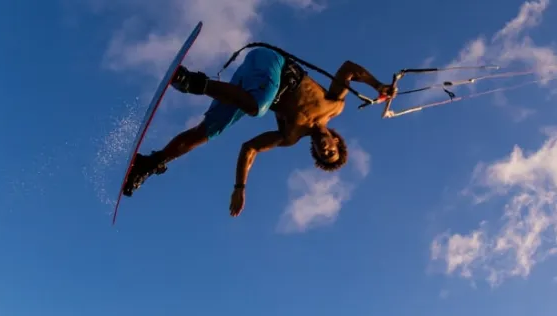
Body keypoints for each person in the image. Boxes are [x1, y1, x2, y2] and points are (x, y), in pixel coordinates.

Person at [121, 46, 393, 217]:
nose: (326, 149)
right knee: (259, 108)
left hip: (250, 86)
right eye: (332, 150)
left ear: (316, 153)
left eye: (324, 155)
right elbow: (348, 69)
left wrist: (240, 188)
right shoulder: (335, 106)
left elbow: (249, 148)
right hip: (272, 62)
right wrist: (378, 85)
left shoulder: (290, 136)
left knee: (209, 132)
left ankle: (149, 163)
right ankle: (190, 81)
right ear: (336, 140)